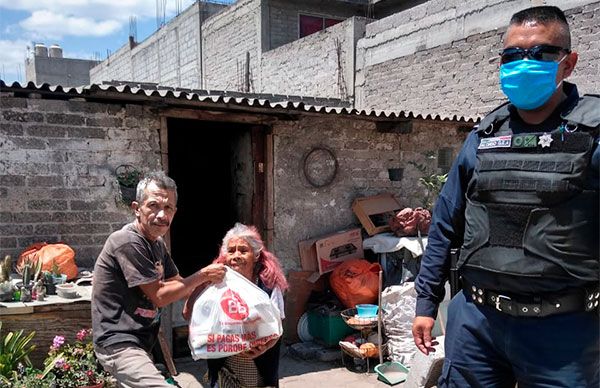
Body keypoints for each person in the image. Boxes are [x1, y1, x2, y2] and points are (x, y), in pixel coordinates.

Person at [412, 6, 599, 387]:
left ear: (569, 63)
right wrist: (426, 302)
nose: (523, 63)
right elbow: (446, 222)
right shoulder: (483, 136)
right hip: (477, 324)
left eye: (540, 53)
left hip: (565, 332)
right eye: (512, 55)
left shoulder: (593, 135)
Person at [92, 171, 226, 387]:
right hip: (119, 343)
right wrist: (202, 275)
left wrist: (215, 302)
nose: (162, 215)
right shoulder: (127, 242)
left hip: (142, 341)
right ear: (137, 208)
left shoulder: (156, 243)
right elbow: (161, 296)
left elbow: (178, 283)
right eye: (153, 205)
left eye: (168, 208)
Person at [183, 223, 289, 388]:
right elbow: (187, 314)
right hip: (223, 361)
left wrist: (266, 346)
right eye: (231, 251)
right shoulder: (216, 284)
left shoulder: (267, 285)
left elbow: (277, 326)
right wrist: (202, 281)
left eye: (243, 250)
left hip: (262, 360)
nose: (236, 255)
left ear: (255, 255)